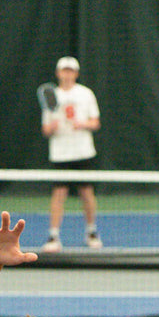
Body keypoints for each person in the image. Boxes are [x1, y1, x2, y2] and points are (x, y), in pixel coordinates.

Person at [41, 57, 102, 252]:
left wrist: (82, 124)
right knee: (59, 194)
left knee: (86, 193)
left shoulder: (86, 94)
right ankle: (53, 236)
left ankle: (91, 232)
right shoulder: (51, 95)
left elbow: (95, 122)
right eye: (64, 71)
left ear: (76, 73)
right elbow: (45, 129)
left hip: (83, 151)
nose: (67, 74)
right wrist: (52, 127)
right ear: (58, 73)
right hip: (60, 154)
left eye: (71, 71)